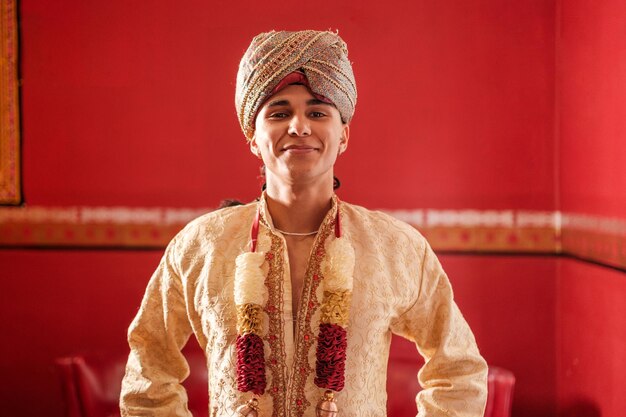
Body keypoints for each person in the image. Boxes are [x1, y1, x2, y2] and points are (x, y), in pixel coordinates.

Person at [120, 30, 487, 417]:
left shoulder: (395, 247)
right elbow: (148, 371)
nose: (299, 127)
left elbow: (459, 372)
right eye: (279, 113)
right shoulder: (201, 245)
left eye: (317, 112)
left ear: (343, 135)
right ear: (253, 138)